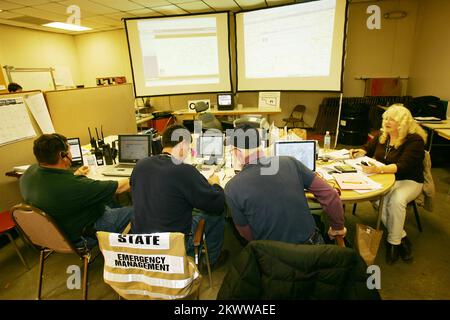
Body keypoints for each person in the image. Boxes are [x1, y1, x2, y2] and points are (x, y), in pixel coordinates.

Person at [224, 124, 347, 246]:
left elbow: (247, 235)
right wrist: (337, 228)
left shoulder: (231, 188)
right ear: (259, 145)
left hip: (272, 257)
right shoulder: (290, 162)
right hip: (311, 251)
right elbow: (330, 195)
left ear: (237, 152)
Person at [130, 124, 227, 266]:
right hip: (173, 244)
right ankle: (211, 260)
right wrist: (215, 184)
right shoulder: (184, 171)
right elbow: (216, 202)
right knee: (217, 212)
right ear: (182, 145)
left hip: (143, 243)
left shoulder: (141, 165)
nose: (188, 152)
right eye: (189, 147)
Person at [20, 133, 133, 249]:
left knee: (107, 198)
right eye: (69, 150)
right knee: (135, 211)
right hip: (84, 234)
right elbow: (120, 187)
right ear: (62, 155)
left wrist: (75, 175)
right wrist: (140, 175)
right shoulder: (74, 186)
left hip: (54, 233)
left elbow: (57, 186)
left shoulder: (28, 173)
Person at [349, 104, 427, 264]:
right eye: (386, 118)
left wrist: (378, 169)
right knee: (377, 199)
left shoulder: (414, 140)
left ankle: (394, 243)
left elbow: (403, 166)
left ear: (403, 122)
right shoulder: (383, 135)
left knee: (396, 200)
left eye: (392, 119)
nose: (387, 122)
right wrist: (361, 151)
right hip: (385, 178)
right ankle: (401, 236)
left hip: (408, 180)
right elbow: (368, 148)